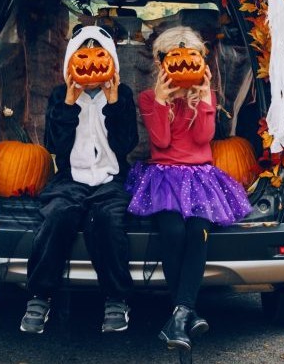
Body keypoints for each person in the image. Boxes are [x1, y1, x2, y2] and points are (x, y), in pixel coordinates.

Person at [126, 26, 252, 351]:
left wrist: (206, 95)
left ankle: (180, 314)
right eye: (174, 57)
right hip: (164, 178)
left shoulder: (206, 97)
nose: (184, 62)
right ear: (161, 62)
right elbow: (161, 141)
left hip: (200, 178)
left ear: (201, 61)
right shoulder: (148, 98)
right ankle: (186, 311)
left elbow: (202, 138)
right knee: (173, 232)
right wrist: (161, 100)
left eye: (192, 57)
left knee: (198, 232)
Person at [21, 25, 139, 334]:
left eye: (99, 56)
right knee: (57, 215)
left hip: (111, 178)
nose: (91, 64)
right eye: (82, 57)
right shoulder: (60, 96)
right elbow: (56, 147)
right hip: (70, 178)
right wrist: (69, 105)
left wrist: (114, 104)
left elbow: (126, 144)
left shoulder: (123, 95)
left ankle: (116, 298)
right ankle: (40, 295)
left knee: (108, 220)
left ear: (111, 60)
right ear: (70, 61)